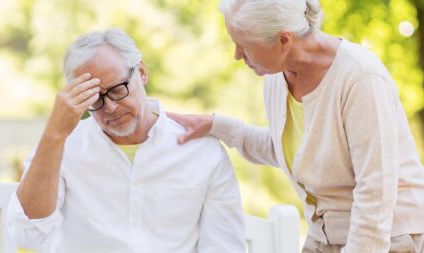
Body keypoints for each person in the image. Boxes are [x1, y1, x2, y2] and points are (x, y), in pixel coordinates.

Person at [168, 0, 424, 252]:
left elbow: (375, 191)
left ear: (283, 41)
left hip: (388, 235)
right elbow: (295, 151)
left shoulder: (359, 78)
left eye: (244, 45)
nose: (237, 55)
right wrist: (216, 125)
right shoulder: (277, 76)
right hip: (326, 236)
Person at [6, 28, 245, 253]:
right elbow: (28, 232)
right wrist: (54, 134)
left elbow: (224, 247)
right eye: (94, 98)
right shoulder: (62, 146)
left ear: (141, 72)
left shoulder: (202, 151)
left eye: (118, 89)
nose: (109, 107)